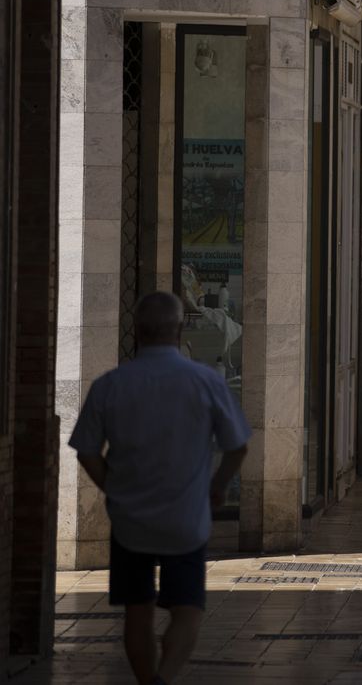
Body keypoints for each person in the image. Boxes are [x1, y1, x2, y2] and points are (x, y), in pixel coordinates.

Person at [69, 291, 251, 685]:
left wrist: (112, 487)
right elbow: (237, 446)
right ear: (180, 329)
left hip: (131, 520)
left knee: (138, 611)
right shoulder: (204, 381)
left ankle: (147, 680)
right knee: (187, 610)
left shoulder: (111, 384)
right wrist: (216, 487)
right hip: (186, 518)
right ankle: (164, 679)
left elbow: (86, 451)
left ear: (136, 331)